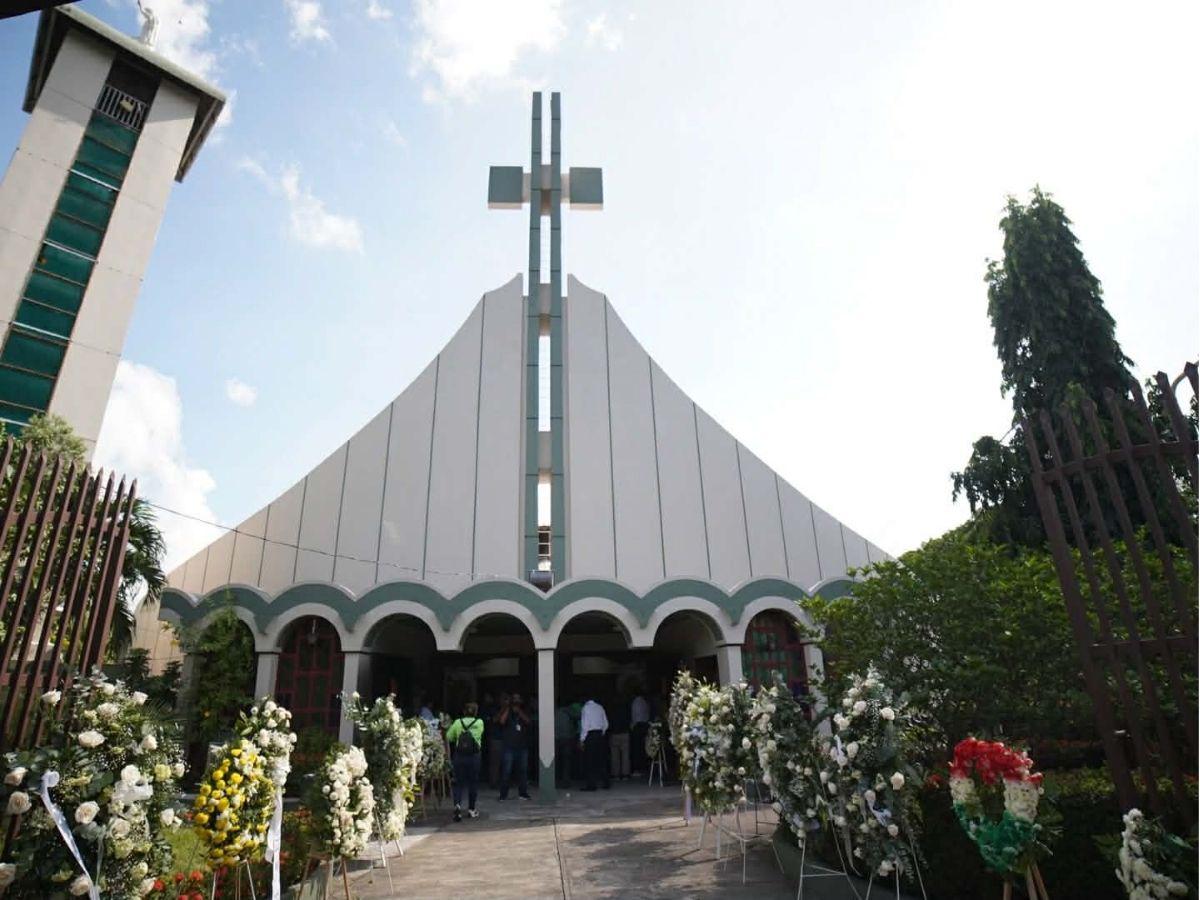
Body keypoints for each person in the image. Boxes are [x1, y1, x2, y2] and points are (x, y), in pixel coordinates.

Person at [445, 702, 485, 822]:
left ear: (464, 711)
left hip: (460, 756)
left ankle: (457, 806)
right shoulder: (479, 722)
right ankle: (471, 809)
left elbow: (448, 737)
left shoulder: (457, 722)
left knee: (458, 783)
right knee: (473, 783)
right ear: (476, 712)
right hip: (474, 757)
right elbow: (481, 734)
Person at [497, 692, 532, 801]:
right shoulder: (507, 711)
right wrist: (508, 708)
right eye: (514, 699)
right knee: (506, 771)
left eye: (518, 699)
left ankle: (523, 793)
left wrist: (519, 711)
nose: (516, 701)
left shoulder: (525, 710)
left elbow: (528, 721)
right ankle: (503, 794)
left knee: (523, 771)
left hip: (522, 746)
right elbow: (501, 721)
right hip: (509, 746)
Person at [579, 697, 609, 791]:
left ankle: (591, 785)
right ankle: (606, 782)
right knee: (600, 759)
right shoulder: (600, 707)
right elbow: (606, 723)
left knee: (590, 761)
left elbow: (585, 725)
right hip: (599, 735)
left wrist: (582, 739)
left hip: (590, 736)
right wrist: (602, 732)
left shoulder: (585, 708)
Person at [487, 692, 508, 788]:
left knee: (506, 762)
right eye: (503, 699)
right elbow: (496, 720)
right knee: (495, 762)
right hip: (496, 739)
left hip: (507, 739)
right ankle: (494, 782)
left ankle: (504, 782)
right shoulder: (494, 709)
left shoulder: (510, 710)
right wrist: (504, 709)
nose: (505, 701)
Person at [608, 694, 631, 780]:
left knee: (614, 756)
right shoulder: (625, 709)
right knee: (625, 755)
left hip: (614, 733)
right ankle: (625, 774)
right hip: (625, 733)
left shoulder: (612, 710)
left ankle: (615, 774)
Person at [554, 702, 574, 787]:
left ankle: (555, 780)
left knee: (555, 761)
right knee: (566, 761)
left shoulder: (553, 711)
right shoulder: (569, 711)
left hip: (556, 738)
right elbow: (577, 717)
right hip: (566, 737)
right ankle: (566, 781)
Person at [630, 692, 650, 775]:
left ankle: (637, 769)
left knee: (637, 749)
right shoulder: (644, 702)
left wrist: (632, 725)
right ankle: (643, 768)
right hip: (645, 725)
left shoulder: (635, 702)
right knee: (643, 748)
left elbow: (634, 715)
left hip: (638, 726)